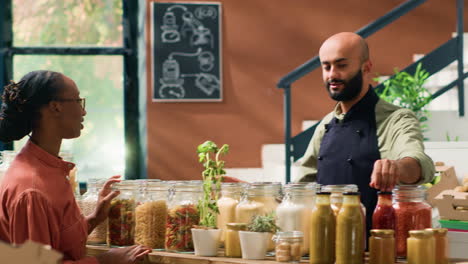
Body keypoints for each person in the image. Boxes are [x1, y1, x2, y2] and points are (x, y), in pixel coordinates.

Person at [0, 70, 151, 264]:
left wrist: (95, 218)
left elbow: (56, 244)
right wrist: (105, 261)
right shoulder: (32, 189)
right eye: (78, 101)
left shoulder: (49, 169)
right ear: (55, 107)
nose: (83, 111)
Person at [298, 32, 435, 232]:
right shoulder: (325, 125)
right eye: (326, 67)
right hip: (324, 245)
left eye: (341, 65)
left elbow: (420, 163)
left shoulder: (396, 118)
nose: (332, 75)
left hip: (378, 248)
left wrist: (396, 167)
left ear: (366, 67)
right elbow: (303, 184)